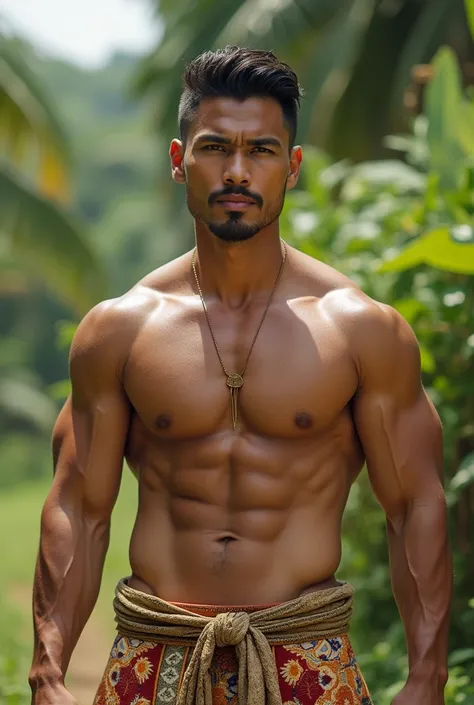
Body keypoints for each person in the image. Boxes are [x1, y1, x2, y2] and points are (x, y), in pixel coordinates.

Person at [29, 46, 452, 705]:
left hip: (304, 657)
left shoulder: (359, 330)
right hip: (156, 653)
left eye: (260, 150)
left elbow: (414, 505)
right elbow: (79, 509)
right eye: (213, 147)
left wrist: (427, 675)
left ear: (293, 166)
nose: (236, 171)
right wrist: (48, 670)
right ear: (179, 160)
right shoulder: (122, 330)